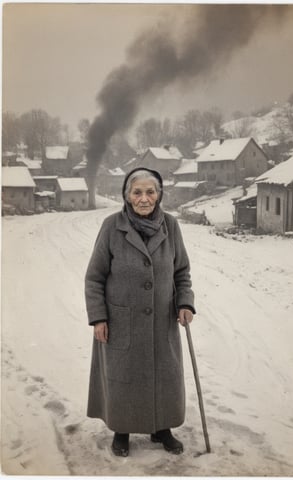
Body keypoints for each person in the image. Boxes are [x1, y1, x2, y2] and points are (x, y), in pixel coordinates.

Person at [85, 167, 195, 457]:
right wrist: (98, 317)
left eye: (150, 191)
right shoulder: (112, 226)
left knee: (164, 376)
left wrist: (184, 302)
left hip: (162, 322)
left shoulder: (170, 226)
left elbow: (181, 271)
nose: (144, 198)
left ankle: (162, 428)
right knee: (123, 377)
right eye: (137, 192)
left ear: (159, 195)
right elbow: (94, 277)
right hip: (121, 322)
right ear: (126, 195)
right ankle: (122, 431)